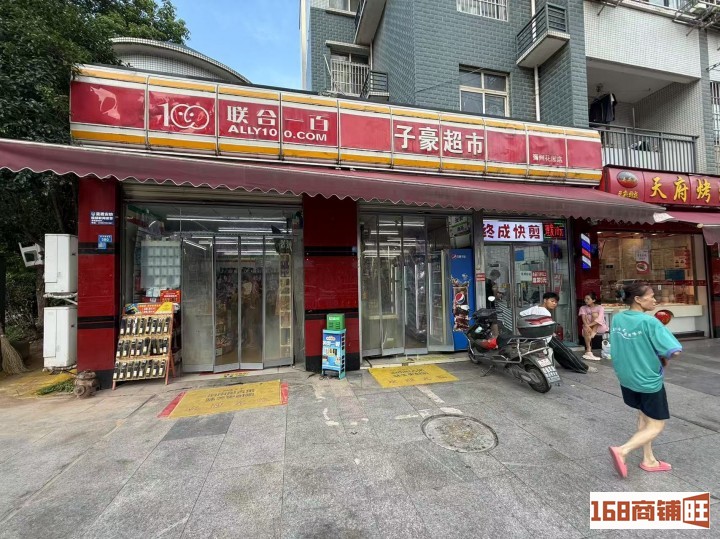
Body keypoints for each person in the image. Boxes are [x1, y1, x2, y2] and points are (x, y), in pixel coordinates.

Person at [608, 282, 682, 479]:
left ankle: (649, 459)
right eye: (651, 296)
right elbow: (674, 350)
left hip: (626, 377)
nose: (655, 300)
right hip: (647, 379)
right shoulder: (650, 322)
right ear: (638, 299)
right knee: (656, 425)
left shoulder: (618, 318)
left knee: (644, 416)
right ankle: (623, 450)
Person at [578, 292, 608, 361]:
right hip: (588, 328)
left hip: (599, 327)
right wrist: (587, 326)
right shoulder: (583, 308)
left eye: (588, 299)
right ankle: (589, 351)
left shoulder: (600, 307)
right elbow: (583, 319)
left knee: (595, 314)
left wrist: (588, 325)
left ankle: (594, 331)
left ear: (593, 300)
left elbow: (600, 319)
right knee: (585, 327)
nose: (586, 300)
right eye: (585, 299)